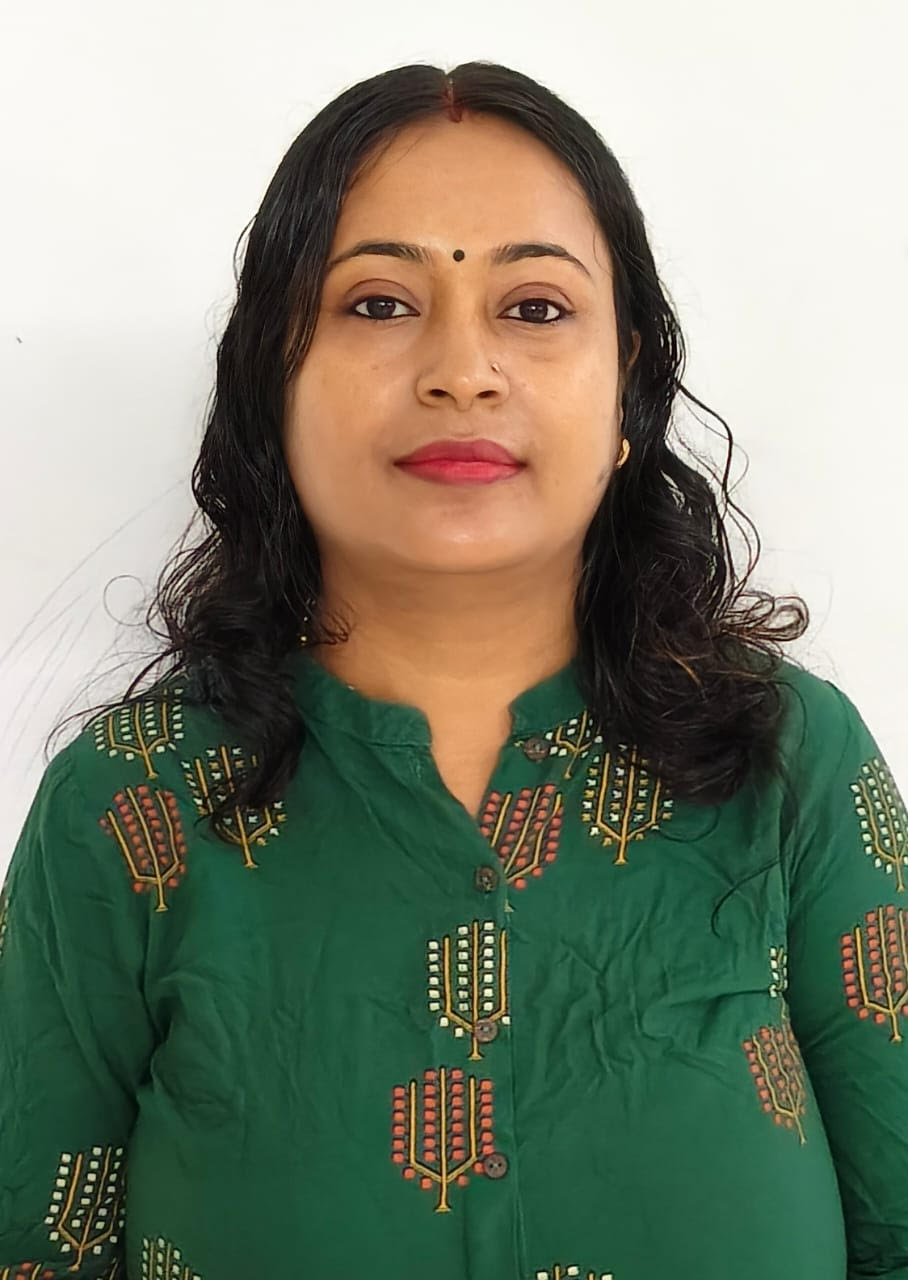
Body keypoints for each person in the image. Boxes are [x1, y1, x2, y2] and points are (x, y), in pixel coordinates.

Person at [1, 61, 906, 1280]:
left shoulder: (789, 763)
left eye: (533, 307)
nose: (461, 369)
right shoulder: (127, 802)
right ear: (271, 378)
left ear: (628, 387)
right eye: (377, 303)